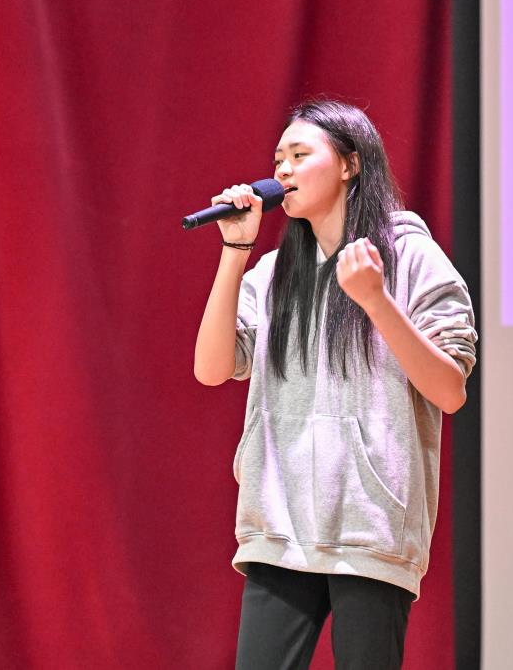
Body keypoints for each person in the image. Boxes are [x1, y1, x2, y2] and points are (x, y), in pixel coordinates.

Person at [193, 99, 478, 670]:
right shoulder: (275, 271)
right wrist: (235, 251)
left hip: (369, 527)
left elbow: (450, 391)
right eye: (278, 159)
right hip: (279, 522)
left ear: (350, 164)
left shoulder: (410, 257)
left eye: (301, 155)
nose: (283, 170)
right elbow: (212, 368)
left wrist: (376, 300)